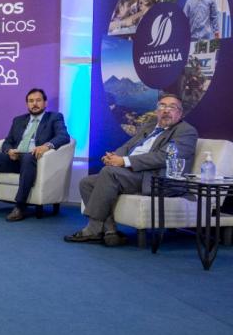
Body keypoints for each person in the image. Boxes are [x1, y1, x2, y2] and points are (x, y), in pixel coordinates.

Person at [65, 94, 197, 246]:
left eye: (172, 107)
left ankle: (93, 229)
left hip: (155, 177)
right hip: (132, 173)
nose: (166, 110)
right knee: (86, 182)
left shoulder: (186, 131)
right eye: (162, 106)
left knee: (109, 173)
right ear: (157, 110)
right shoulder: (151, 125)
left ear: (180, 113)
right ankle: (110, 231)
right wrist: (114, 156)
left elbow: (163, 157)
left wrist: (124, 161)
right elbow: (128, 145)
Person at [0, 88, 70, 222]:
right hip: (15, 159)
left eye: (38, 100)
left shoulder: (54, 117)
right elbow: (7, 141)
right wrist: (9, 151)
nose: (34, 104)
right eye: (31, 101)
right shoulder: (18, 120)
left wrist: (46, 146)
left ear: (45, 103)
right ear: (27, 104)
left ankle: (20, 206)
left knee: (28, 157)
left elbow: (63, 137)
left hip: (35, 160)